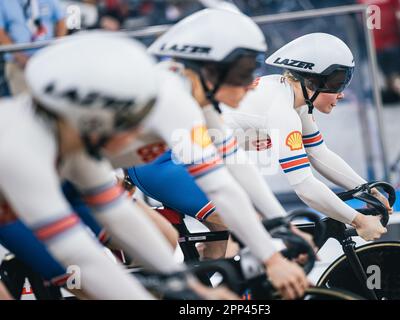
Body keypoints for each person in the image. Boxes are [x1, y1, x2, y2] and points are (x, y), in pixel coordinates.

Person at [0, 32, 236, 300]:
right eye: (124, 123)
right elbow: (79, 254)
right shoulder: (19, 149)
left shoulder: (72, 133)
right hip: (13, 202)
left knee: (164, 239)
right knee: (83, 280)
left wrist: (189, 286)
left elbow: (118, 217)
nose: (133, 138)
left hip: (52, 185)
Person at [107, 9, 309, 299]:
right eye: (242, 73)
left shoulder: (196, 95)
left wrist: (281, 224)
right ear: (210, 71)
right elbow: (220, 185)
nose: (250, 83)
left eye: (253, 69)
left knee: (199, 241)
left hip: (126, 167)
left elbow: (237, 165)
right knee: (225, 226)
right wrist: (272, 257)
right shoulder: (174, 96)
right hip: (114, 172)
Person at [222, 33, 393, 241]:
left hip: (205, 161)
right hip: (186, 160)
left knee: (240, 239)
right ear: (312, 80)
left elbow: (319, 153)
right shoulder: (282, 110)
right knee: (254, 237)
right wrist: (358, 220)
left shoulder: (296, 100)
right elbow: (304, 186)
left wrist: (368, 190)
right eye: (338, 83)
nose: (342, 94)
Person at [0, 0, 67, 96]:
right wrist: (19, 57)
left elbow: (61, 20)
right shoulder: (4, 2)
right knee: (25, 106)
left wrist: (55, 49)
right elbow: (1, 32)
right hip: (18, 65)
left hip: (48, 62)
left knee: (51, 102)